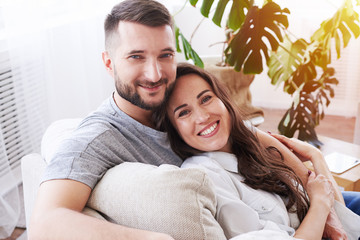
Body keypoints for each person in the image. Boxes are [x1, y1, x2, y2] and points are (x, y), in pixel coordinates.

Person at [28, 0, 355, 239]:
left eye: (165, 55)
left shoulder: (172, 95)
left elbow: (250, 136)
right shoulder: (98, 139)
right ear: (108, 62)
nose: (155, 74)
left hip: (290, 202)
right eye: (136, 57)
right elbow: (45, 222)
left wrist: (322, 197)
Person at [156, 63, 360, 239]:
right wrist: (321, 205)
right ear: (175, 130)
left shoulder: (247, 139)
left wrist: (317, 157)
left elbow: (328, 203)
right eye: (184, 112)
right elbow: (324, 201)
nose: (202, 116)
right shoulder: (205, 177)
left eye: (206, 99)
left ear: (223, 99)